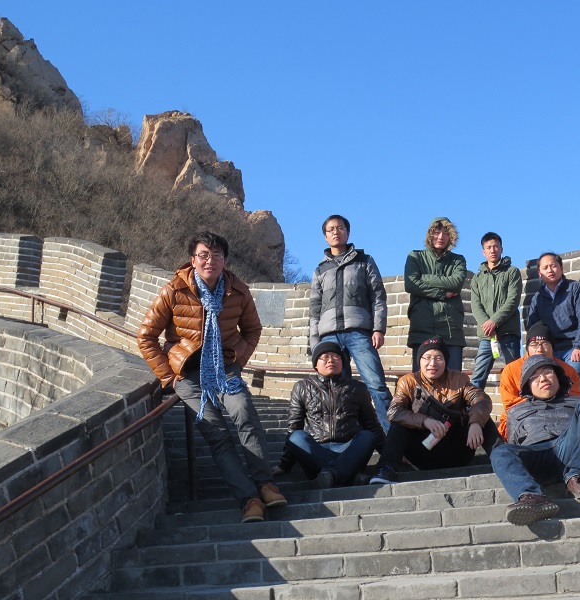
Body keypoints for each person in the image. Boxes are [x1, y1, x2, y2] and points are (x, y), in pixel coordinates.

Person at [137, 231, 285, 524]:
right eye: (203, 255)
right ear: (192, 260)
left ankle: (265, 484)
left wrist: (238, 361)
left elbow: (253, 330)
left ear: (224, 260)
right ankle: (249, 499)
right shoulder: (174, 290)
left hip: (225, 369)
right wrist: (169, 378)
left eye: (216, 255)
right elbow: (146, 336)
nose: (210, 261)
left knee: (244, 412)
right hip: (187, 375)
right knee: (217, 434)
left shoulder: (237, 291)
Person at [490, 355, 580, 526]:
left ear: (558, 376)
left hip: (571, 449)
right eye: (534, 376)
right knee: (500, 452)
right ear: (527, 386)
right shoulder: (515, 411)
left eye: (547, 372)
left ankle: (577, 475)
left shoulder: (579, 402)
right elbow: (514, 444)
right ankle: (532, 497)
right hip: (537, 456)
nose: (543, 379)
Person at [369, 337, 500, 484]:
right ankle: (385, 470)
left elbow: (482, 399)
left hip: (456, 449)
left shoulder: (459, 379)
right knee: (398, 424)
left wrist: (475, 423)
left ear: (445, 361)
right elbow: (394, 411)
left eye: (438, 358)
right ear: (419, 361)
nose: (432, 363)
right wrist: (424, 420)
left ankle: (504, 460)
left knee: (481, 417)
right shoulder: (408, 381)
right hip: (422, 451)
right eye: (427, 357)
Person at [310, 214, 392, 430]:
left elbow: (378, 296)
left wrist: (378, 328)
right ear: (325, 236)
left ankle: (393, 437)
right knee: (336, 391)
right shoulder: (320, 270)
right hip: (329, 338)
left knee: (377, 385)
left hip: (359, 332)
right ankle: (344, 435)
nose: (335, 232)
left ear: (347, 232)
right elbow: (314, 310)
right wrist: (315, 344)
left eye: (340, 227)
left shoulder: (364, 261)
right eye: (330, 229)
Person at [274, 341, 386, 488]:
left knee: (367, 436)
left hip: (348, 450)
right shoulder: (302, 387)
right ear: (315, 364)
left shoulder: (357, 388)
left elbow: (372, 425)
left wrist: (390, 456)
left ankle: (331, 474)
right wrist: (285, 465)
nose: (331, 360)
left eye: (336, 357)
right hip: (316, 451)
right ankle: (350, 476)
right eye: (325, 357)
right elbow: (294, 426)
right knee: (297, 437)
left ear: (343, 363)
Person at [497, 322, 580, 440]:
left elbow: (574, 400)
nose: (540, 349)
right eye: (534, 344)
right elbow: (510, 405)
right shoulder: (511, 370)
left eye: (545, 343)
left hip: (561, 417)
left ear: (552, 347)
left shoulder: (568, 370)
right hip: (525, 418)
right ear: (527, 348)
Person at [404, 217, 467, 371]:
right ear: (430, 235)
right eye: (437, 233)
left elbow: (456, 283)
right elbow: (411, 284)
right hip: (422, 327)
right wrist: (442, 294)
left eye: (445, 233)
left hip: (451, 329)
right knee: (421, 379)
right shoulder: (416, 257)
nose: (440, 237)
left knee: (454, 379)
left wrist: (424, 278)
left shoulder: (458, 260)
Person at [523, 252, 580, 379]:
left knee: (569, 379)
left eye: (553, 266)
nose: (550, 270)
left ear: (561, 268)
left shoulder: (575, 289)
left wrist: (579, 346)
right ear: (539, 273)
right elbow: (533, 328)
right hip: (548, 349)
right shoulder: (538, 298)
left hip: (573, 348)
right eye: (545, 268)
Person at [469, 232, 523, 389]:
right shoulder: (477, 278)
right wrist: (487, 324)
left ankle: (519, 403)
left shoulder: (511, 272)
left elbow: (512, 300)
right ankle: (473, 404)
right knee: (477, 377)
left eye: (496, 246)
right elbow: (475, 305)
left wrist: (494, 321)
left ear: (501, 249)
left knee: (515, 374)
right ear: (483, 251)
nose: (492, 250)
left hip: (508, 332)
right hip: (487, 335)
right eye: (488, 247)